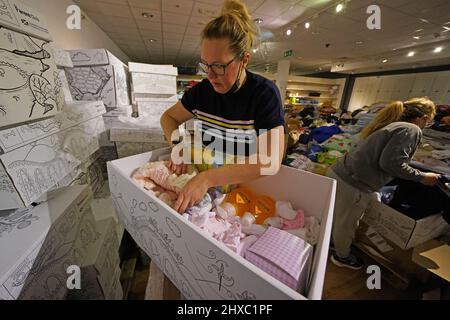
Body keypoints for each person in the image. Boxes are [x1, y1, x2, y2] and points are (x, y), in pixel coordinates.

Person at [160, 0, 285, 214]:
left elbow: (270, 161)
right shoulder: (202, 91)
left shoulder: (263, 94)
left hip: (241, 196)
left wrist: (207, 179)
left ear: (244, 59)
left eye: (218, 66)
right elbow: (168, 118)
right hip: (203, 192)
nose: (210, 74)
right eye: (205, 64)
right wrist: (177, 145)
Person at [327, 97, 440, 270]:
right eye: (429, 120)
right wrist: (422, 176)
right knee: (347, 223)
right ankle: (342, 256)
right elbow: (390, 163)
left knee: (337, 217)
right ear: (423, 117)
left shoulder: (393, 125)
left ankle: (334, 243)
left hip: (341, 173)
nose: (427, 124)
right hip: (354, 183)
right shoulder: (411, 129)